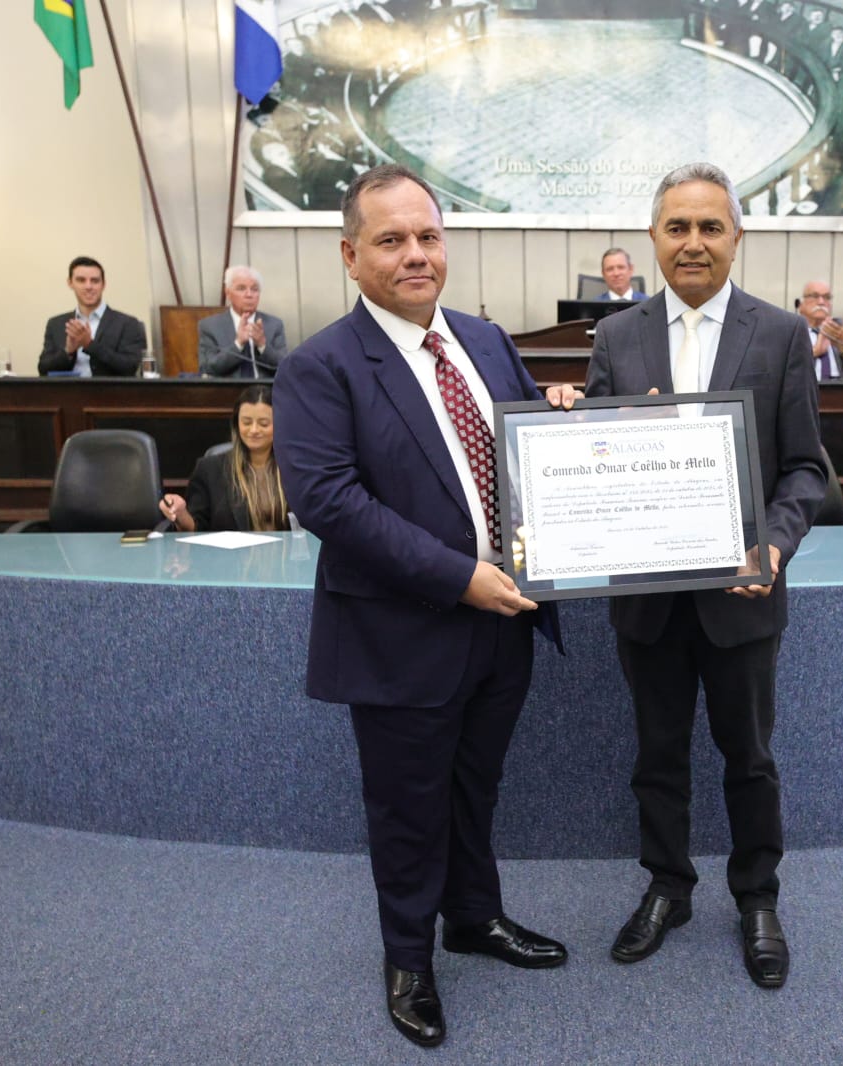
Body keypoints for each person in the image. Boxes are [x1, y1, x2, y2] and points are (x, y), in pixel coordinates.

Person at [273, 164, 565, 1050]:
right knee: (407, 806)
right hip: (403, 632)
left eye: (428, 237)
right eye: (392, 240)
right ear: (351, 255)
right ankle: (409, 960)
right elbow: (330, 501)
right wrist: (457, 577)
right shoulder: (319, 366)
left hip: (503, 623)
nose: (415, 255)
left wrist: (565, 423)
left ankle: (474, 918)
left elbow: (520, 458)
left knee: (476, 788)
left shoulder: (484, 340)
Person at [548, 162, 827, 990]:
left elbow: (807, 472)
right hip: (648, 603)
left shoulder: (780, 335)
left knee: (750, 759)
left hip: (744, 599)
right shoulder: (616, 337)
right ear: (654, 239)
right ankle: (668, 886)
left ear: (737, 236)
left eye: (711, 227)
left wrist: (773, 546)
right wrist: (563, 429)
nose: (694, 242)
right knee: (657, 756)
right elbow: (594, 455)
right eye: (679, 227)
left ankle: (758, 898)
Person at [160, 385, 289, 532]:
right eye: (246, 422)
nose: (254, 430)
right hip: (231, 554)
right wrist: (181, 514)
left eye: (263, 424)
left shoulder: (295, 468)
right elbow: (195, 529)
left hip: (286, 553)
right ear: (236, 424)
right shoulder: (210, 470)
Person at [37, 256, 148, 377]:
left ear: (103, 284)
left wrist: (90, 344)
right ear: (70, 283)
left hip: (111, 394)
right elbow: (43, 369)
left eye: (95, 281)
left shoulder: (128, 324)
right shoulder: (56, 324)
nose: (88, 287)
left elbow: (131, 367)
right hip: (67, 394)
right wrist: (68, 351)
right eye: (81, 280)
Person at [197, 265, 289, 379]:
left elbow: (285, 367)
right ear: (228, 293)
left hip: (266, 392)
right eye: (241, 288)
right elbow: (207, 368)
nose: (249, 295)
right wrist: (238, 344)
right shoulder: (210, 326)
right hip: (228, 393)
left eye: (254, 289)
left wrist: (262, 345)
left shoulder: (274, 324)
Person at [796, 279, 843, 380]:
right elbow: (780, 366)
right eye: (815, 296)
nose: (821, 302)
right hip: (804, 389)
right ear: (800, 304)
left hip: (839, 391)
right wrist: (814, 352)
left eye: (827, 297)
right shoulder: (790, 330)